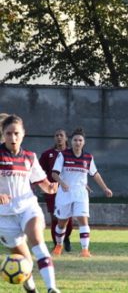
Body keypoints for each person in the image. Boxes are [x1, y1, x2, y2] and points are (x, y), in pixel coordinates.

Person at [0, 114, 60, 293]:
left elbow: (44, 184)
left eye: (16, 133)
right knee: (23, 261)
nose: (13, 137)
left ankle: (52, 288)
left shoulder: (30, 157)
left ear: (23, 134)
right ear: (3, 134)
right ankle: (31, 288)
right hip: (4, 216)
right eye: (9, 133)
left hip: (27, 207)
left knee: (38, 242)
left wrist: (51, 187)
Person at [51, 127, 112, 257]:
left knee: (83, 220)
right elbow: (54, 174)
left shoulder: (88, 157)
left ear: (83, 142)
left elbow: (95, 174)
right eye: (75, 140)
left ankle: (85, 250)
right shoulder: (63, 155)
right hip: (64, 193)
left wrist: (105, 188)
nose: (77, 142)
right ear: (71, 142)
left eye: (80, 140)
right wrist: (62, 183)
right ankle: (58, 245)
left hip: (81, 194)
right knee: (62, 223)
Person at [39, 129, 73, 252]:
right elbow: (39, 171)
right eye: (56, 135)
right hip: (52, 190)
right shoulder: (47, 154)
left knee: (67, 217)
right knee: (55, 217)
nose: (59, 137)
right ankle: (56, 244)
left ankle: (66, 238)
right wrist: (44, 185)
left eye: (61, 135)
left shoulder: (71, 153)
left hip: (68, 190)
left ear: (66, 138)